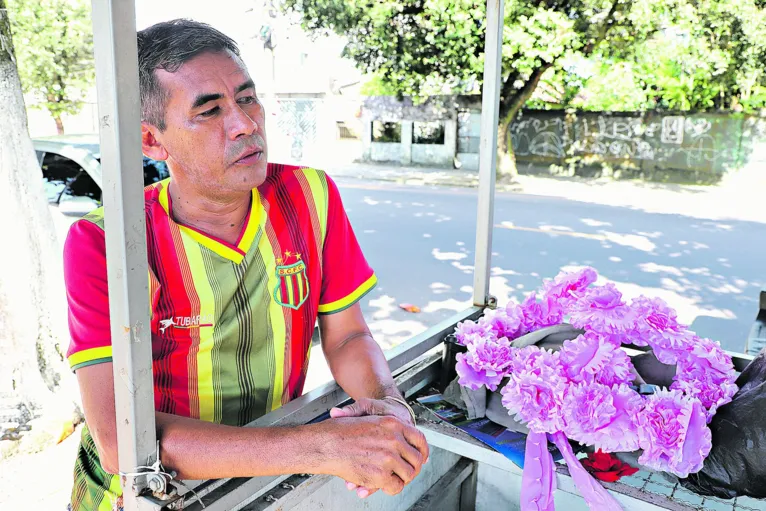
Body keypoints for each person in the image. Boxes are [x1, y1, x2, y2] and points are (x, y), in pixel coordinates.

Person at [64, 19, 428, 511]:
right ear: (152, 141)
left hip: (265, 476)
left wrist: (386, 402)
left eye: (247, 98)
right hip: (144, 496)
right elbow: (119, 443)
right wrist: (327, 446)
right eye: (210, 110)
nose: (245, 123)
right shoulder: (105, 241)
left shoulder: (310, 196)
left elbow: (347, 337)